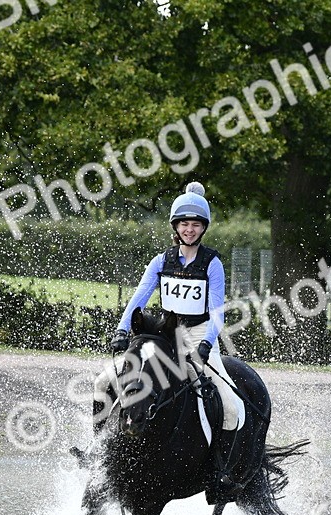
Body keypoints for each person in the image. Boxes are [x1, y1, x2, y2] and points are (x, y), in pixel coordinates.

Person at [95, 181, 247, 491]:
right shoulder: (160, 261)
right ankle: (97, 451)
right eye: (184, 224)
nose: (189, 230)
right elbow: (139, 298)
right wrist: (123, 329)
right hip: (164, 335)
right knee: (102, 383)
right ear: (175, 227)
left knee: (232, 407)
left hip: (200, 333)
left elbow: (217, 311)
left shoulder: (212, 263)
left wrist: (207, 344)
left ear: (202, 228)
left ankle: (219, 470)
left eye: (195, 224)